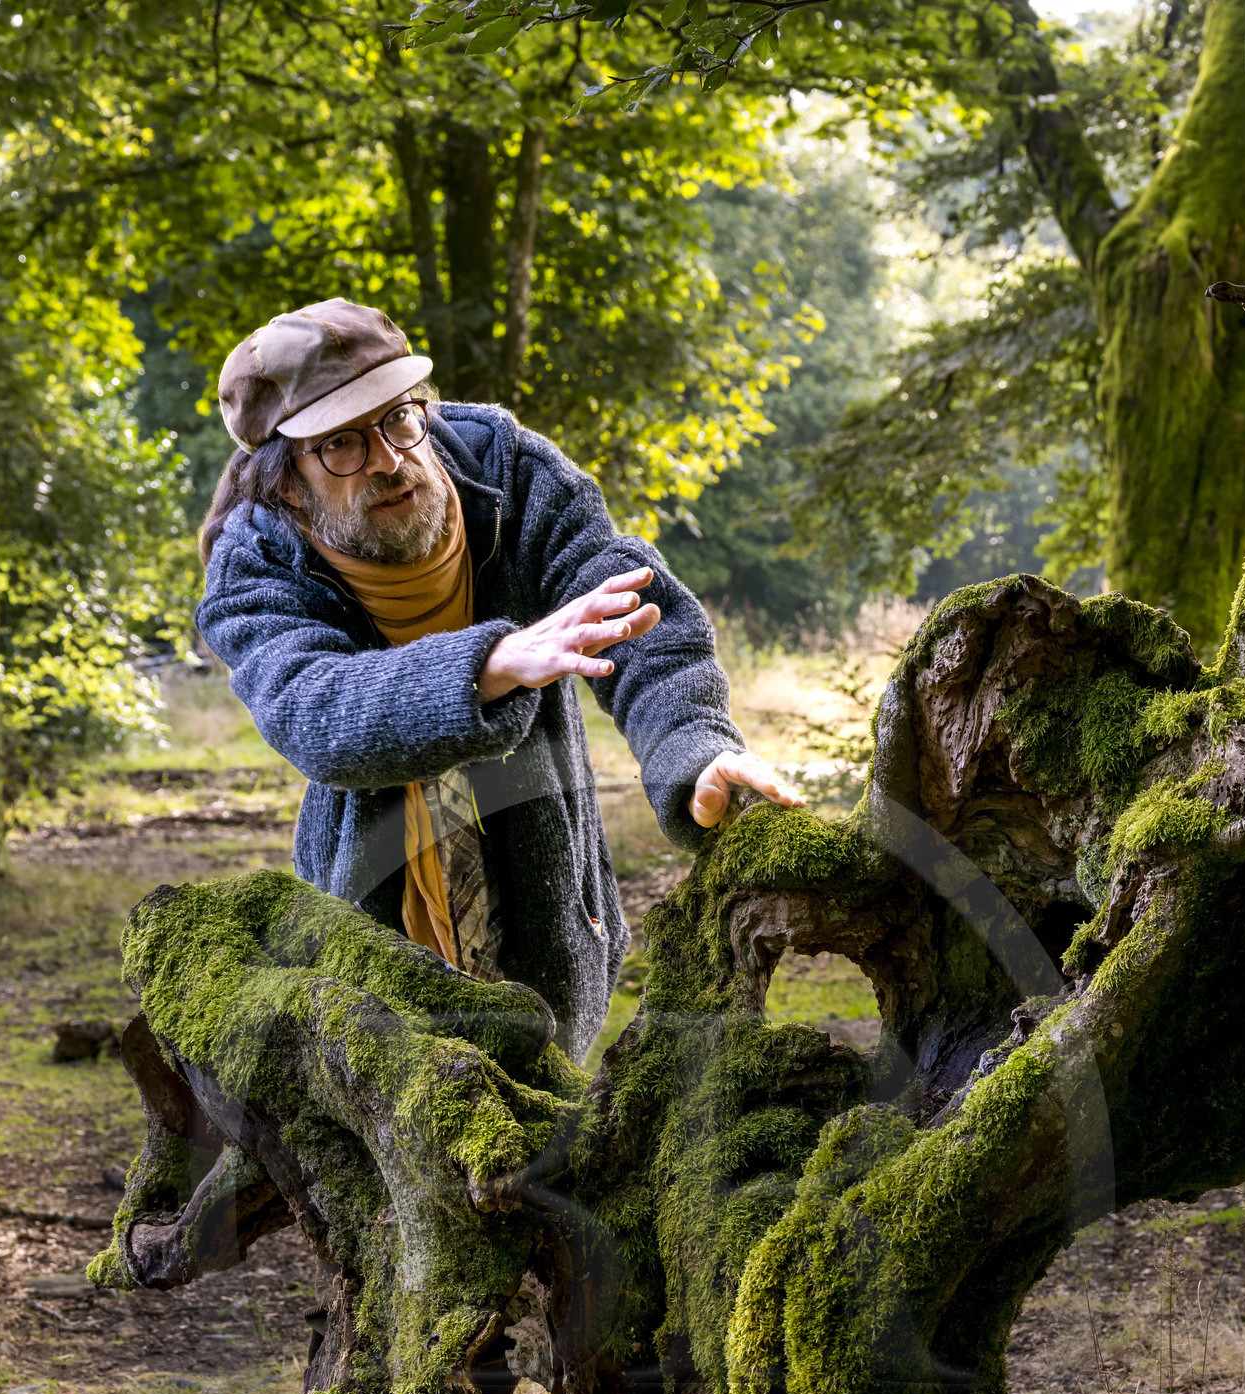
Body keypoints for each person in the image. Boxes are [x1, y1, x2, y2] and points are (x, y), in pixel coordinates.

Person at [196, 297, 803, 1058]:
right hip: (368, 921)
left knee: (545, 1118)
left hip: (553, 904)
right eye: (344, 444)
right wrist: (488, 664)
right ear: (286, 479)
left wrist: (698, 747)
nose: (388, 458)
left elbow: (627, 603)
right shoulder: (255, 561)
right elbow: (311, 709)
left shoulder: (506, 468)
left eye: (398, 418)